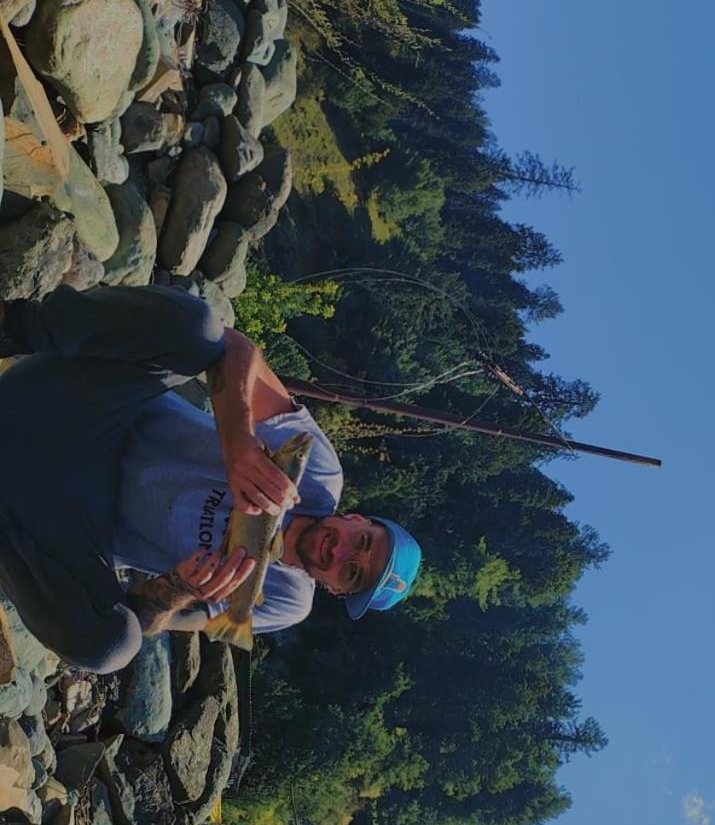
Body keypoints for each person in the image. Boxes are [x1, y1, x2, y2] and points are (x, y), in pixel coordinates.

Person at [0, 284, 421, 674]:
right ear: (358, 519)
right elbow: (234, 346)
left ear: (336, 591)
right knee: (198, 328)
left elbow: (146, 621)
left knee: (111, 646)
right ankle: (14, 325)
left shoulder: (287, 601)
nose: (341, 552)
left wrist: (179, 588)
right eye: (362, 542)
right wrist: (238, 439)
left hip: (61, 518)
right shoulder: (318, 472)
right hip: (76, 410)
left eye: (352, 573)